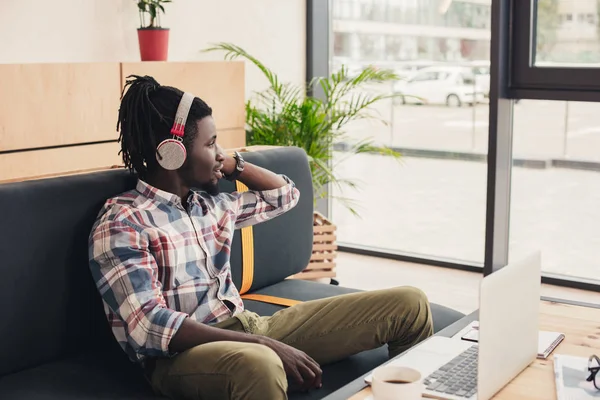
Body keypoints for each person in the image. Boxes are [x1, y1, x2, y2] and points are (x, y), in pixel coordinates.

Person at [88, 75, 434, 400]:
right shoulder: (123, 222)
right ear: (172, 153)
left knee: (409, 304)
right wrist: (262, 345)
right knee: (262, 364)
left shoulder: (211, 205)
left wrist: (230, 163)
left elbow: (284, 196)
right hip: (179, 357)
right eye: (211, 143)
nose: (220, 152)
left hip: (250, 327)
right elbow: (150, 326)